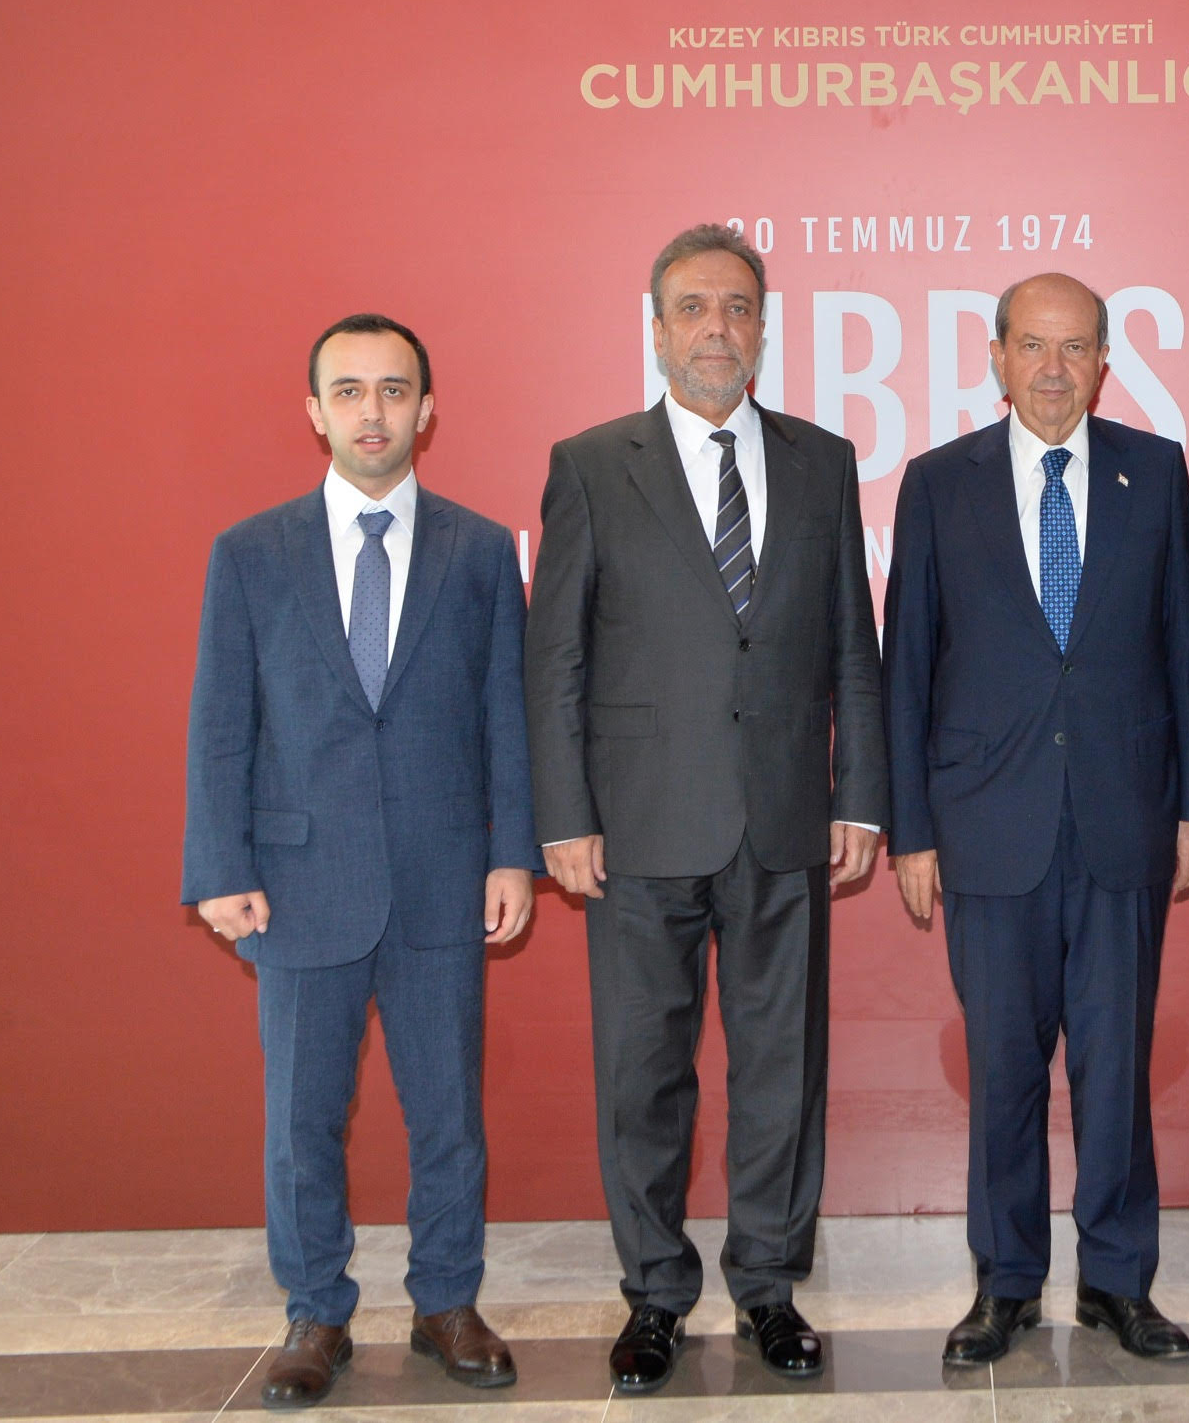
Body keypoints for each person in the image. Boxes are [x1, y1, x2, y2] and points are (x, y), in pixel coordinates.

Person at [523, 223, 888, 1394]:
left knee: (781, 1067)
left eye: (736, 308)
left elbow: (852, 645)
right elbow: (555, 657)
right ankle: (654, 1293)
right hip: (636, 823)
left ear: (763, 328)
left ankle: (770, 1286)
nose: (715, 329)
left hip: (783, 815)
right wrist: (562, 814)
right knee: (643, 1070)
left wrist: (859, 793)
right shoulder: (592, 463)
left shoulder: (822, 460)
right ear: (656, 328)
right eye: (692, 308)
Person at [182, 313, 540, 1408]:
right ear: (315, 412)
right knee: (302, 1119)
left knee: (448, 1114)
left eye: (393, 390)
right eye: (348, 391)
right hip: (298, 884)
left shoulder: (480, 550)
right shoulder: (250, 553)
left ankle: (448, 1302)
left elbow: (506, 716)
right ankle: (315, 1311)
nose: (371, 411)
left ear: (427, 410)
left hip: (444, 877)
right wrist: (218, 867)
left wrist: (512, 854)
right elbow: (221, 726)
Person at [881, 273, 1189, 1367]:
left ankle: (1117, 1281)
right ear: (996, 356)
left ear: (1105, 362)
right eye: (1033, 346)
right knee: (1004, 1072)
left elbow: (1187, 649)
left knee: (1115, 1073)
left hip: (1124, 820)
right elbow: (906, 666)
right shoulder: (939, 483)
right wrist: (911, 829)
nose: (1054, 369)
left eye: (1075, 348)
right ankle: (1006, 1282)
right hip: (986, 827)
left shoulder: (1154, 471)